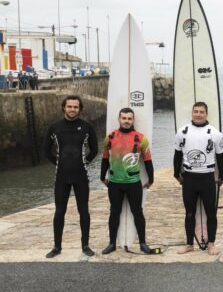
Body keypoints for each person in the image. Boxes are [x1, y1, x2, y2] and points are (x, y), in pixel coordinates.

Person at [42, 95, 98, 258]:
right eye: (69, 106)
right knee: (59, 212)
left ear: (80, 109)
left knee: (84, 211)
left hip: (81, 176)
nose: (72, 109)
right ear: (64, 108)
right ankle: (57, 246)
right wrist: (60, 163)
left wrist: (83, 162)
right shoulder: (55, 127)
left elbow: (94, 151)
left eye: (75, 107)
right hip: (62, 176)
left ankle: (85, 245)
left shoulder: (87, 127)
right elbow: (46, 151)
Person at [173, 102, 223, 255]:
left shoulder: (215, 133)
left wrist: (222, 175)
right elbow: (177, 155)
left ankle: (211, 244)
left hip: (207, 178)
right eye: (195, 111)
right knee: (189, 213)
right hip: (189, 178)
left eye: (201, 112)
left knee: (211, 213)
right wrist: (177, 174)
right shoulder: (182, 131)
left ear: (206, 114)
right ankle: (189, 244)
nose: (198, 114)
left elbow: (220, 157)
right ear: (192, 113)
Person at [100, 107, 154, 254]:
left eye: (129, 118)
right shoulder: (110, 137)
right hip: (115, 183)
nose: (126, 121)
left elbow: (148, 161)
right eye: (124, 118)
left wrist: (151, 179)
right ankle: (112, 243)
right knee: (114, 213)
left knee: (138, 212)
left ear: (133, 120)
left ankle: (143, 243)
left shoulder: (141, 138)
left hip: (133, 183)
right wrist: (102, 176)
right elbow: (105, 158)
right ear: (119, 119)